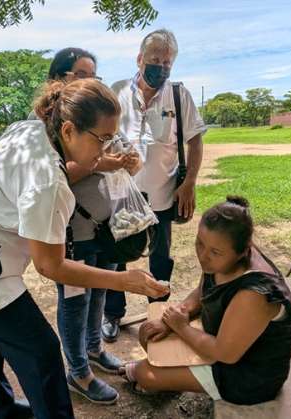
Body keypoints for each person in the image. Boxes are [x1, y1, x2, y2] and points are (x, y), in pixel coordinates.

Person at [0, 79, 169, 418]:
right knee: (42, 352)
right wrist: (125, 281)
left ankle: (0, 409)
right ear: (69, 129)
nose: (106, 148)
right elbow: (50, 266)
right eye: (102, 139)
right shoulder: (47, 181)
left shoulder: (29, 130)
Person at [120, 196, 291, 406]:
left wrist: (181, 327)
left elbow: (225, 354)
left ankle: (166, 380)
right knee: (149, 332)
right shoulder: (225, 258)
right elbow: (203, 290)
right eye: (200, 243)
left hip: (247, 374)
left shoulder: (255, 294)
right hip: (219, 344)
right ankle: (171, 379)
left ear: (243, 250)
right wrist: (179, 314)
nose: (203, 256)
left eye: (215, 252)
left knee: (144, 374)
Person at [44, 47, 142, 405]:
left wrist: (129, 161)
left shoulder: (96, 115)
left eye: (94, 75)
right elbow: (56, 173)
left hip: (108, 227)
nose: (90, 81)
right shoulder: (50, 124)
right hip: (74, 234)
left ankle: (93, 348)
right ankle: (78, 370)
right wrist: (104, 163)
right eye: (82, 73)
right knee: (74, 300)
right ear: (60, 78)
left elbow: (126, 153)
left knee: (99, 291)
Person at [103, 28, 207, 342]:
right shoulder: (117, 92)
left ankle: (158, 314)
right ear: (139, 59)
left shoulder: (179, 95)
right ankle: (112, 314)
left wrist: (189, 183)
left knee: (160, 257)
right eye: (154, 60)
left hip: (162, 194)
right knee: (117, 256)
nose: (160, 67)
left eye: (166, 63)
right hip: (122, 194)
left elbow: (196, 141)